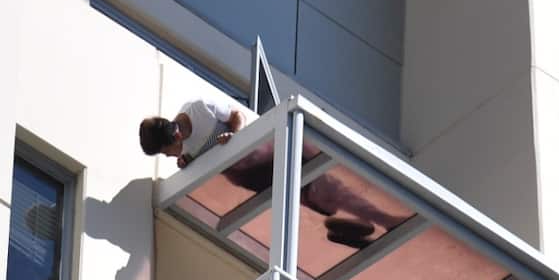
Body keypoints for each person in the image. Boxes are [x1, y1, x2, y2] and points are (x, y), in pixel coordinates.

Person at [139, 98, 406, 249]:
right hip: (249, 175)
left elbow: (236, 115)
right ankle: (361, 225)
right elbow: (196, 159)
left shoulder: (198, 110)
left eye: (167, 152)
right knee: (315, 195)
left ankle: (373, 222)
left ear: (173, 134)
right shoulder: (185, 149)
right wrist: (187, 161)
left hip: (266, 152)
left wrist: (234, 136)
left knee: (326, 189)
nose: (170, 156)